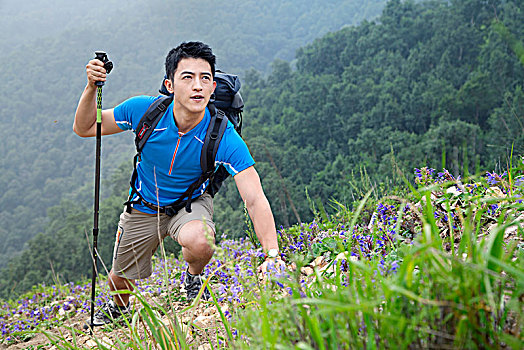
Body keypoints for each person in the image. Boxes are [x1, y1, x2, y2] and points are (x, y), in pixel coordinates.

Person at [74, 41, 282, 327]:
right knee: (119, 280)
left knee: (201, 240)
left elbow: (255, 198)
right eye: (188, 77)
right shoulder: (144, 112)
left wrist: (272, 254)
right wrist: (91, 87)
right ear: (169, 85)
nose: (197, 86)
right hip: (144, 204)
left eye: (205, 78)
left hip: (190, 203)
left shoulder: (223, 135)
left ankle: (193, 277)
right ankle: (119, 307)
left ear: (212, 87)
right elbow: (85, 127)